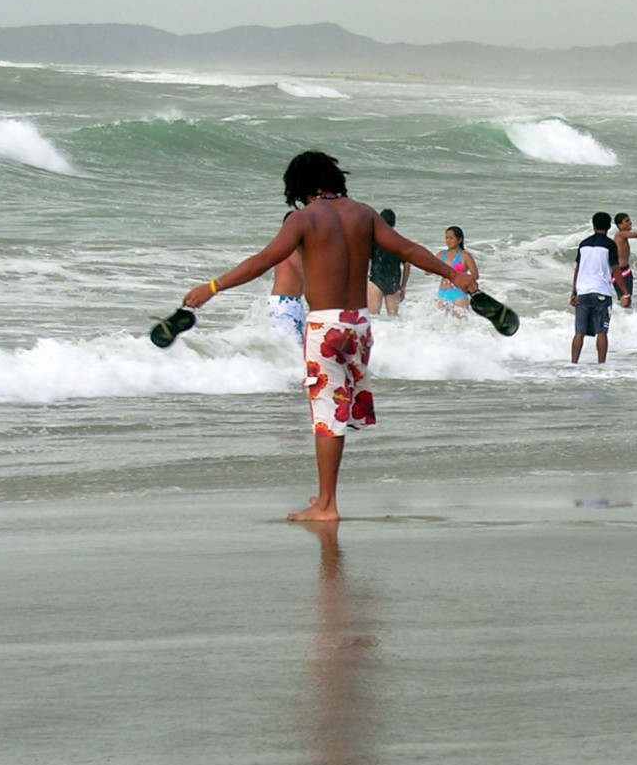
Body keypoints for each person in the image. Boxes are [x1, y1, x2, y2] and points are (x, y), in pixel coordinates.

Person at [180, 150, 475, 523]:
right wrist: (453, 276)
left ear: (302, 186)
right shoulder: (364, 213)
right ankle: (325, 495)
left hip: (325, 327)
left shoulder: (305, 219)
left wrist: (213, 286)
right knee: (337, 412)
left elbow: (263, 261)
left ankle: (326, 505)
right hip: (359, 325)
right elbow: (408, 250)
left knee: (326, 416)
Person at [571, 211, 618, 365]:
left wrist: (574, 292)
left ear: (593, 225)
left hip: (583, 291)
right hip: (601, 292)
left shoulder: (583, 244)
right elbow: (615, 269)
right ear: (609, 226)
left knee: (579, 332)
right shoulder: (610, 244)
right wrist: (624, 292)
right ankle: (601, 364)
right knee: (602, 332)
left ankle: (573, 363)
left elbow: (578, 269)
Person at [268, 211, 308, 345]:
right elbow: (305, 270)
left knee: (298, 348)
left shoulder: (290, 247)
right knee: (291, 346)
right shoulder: (291, 249)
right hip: (284, 304)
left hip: (291, 303)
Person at [366, 207, 407, 315]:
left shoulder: (374, 241)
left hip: (376, 280)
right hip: (393, 281)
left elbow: (363, 258)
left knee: (373, 317)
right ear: (394, 224)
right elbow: (407, 264)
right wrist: (403, 285)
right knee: (393, 319)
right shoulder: (400, 241)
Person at [435, 228, 478, 312]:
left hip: (459, 294)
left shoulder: (465, 256)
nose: (448, 240)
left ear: (459, 240)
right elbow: (427, 271)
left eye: (451, 238)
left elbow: (475, 275)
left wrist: (460, 278)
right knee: (438, 323)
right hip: (442, 293)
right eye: (446, 238)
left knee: (459, 324)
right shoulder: (441, 254)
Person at [610, 212, 637, 310]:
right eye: (627, 221)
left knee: (626, 300)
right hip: (620, 271)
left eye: (629, 220)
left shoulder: (622, 236)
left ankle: (623, 318)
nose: (630, 223)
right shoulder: (621, 234)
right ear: (619, 225)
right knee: (625, 300)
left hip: (625, 270)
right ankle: (621, 319)